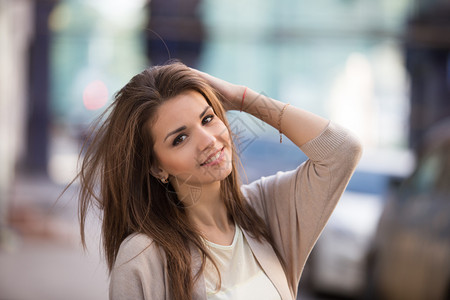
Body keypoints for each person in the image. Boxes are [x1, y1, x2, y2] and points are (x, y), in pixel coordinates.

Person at [75, 61, 362, 300]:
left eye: (208, 118)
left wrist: (241, 98)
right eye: (180, 138)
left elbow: (342, 151)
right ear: (156, 168)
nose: (209, 141)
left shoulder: (266, 209)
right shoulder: (142, 257)